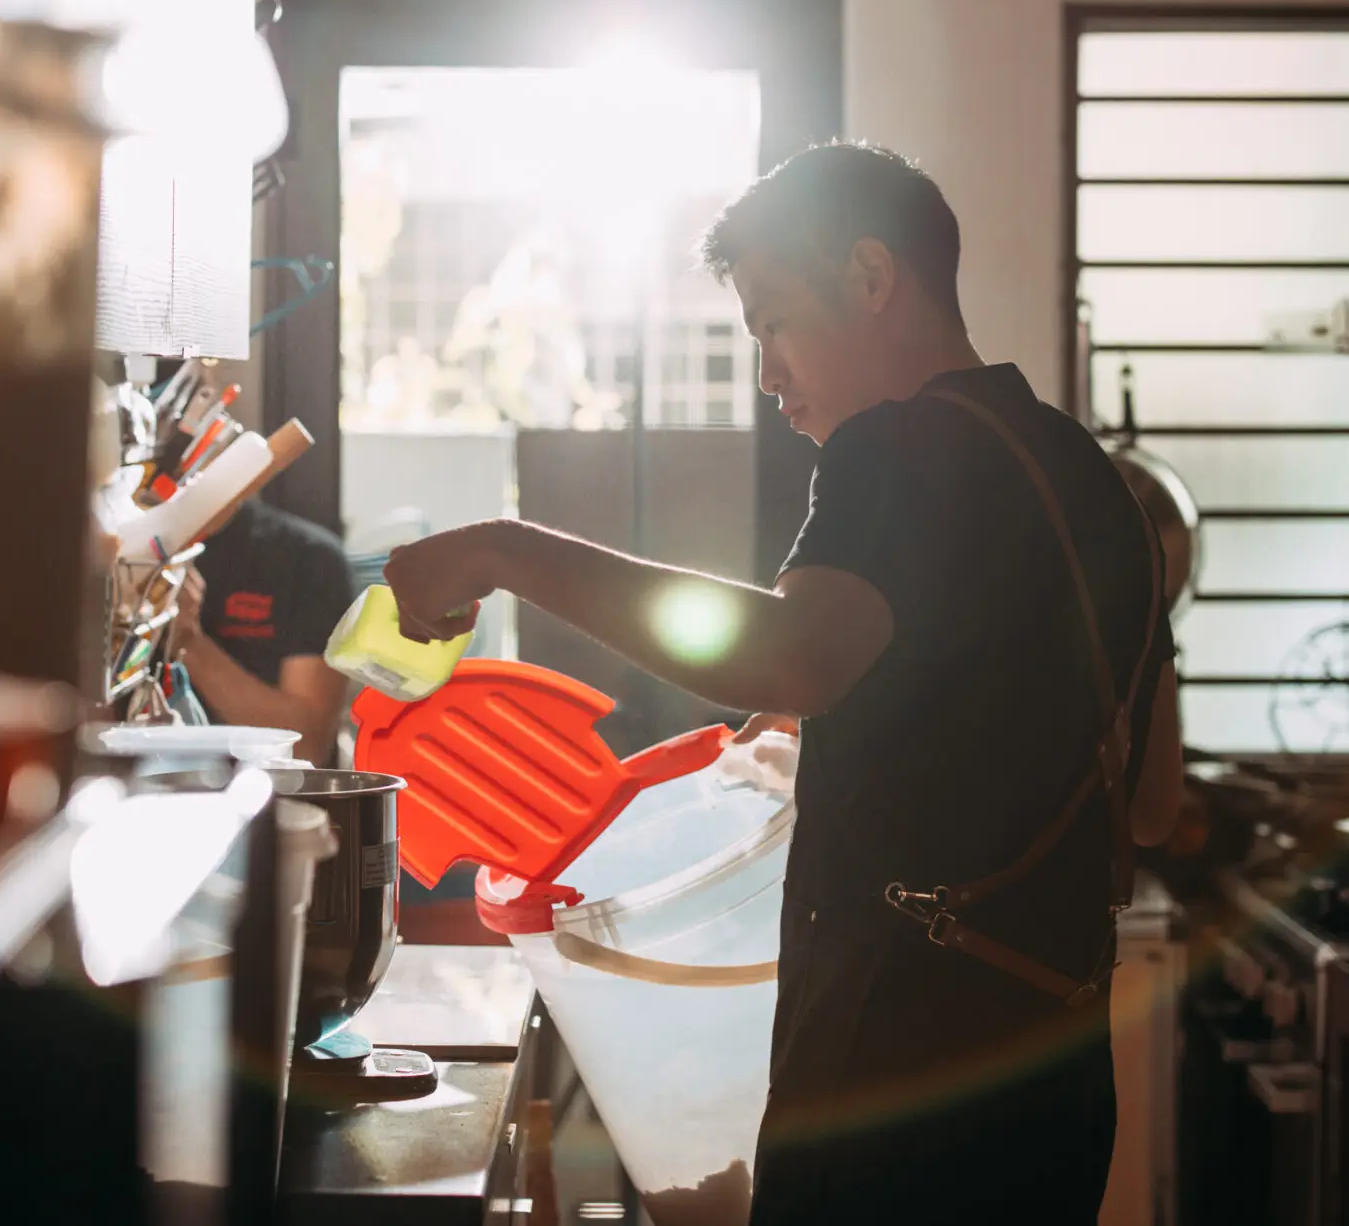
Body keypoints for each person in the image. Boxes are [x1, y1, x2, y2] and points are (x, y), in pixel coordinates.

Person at [384, 141, 1184, 1222]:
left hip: (890, 1090)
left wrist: (506, 550)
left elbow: (787, 656)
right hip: (1054, 1091)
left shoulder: (898, 446)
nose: (767, 373)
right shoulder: (1096, 481)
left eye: (774, 323)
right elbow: (1149, 799)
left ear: (871, 276)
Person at [169, 497, 356, 764]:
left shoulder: (309, 558)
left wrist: (187, 641)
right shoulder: (115, 555)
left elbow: (305, 747)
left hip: (261, 783)